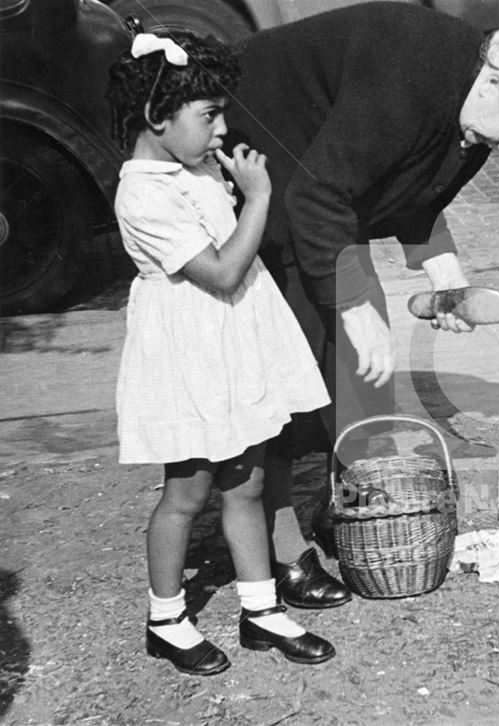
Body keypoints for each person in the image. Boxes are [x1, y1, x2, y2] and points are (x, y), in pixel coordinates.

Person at [224, 2, 499, 608]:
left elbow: (413, 191)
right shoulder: (409, 76)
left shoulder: (482, 110)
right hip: (266, 170)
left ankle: (342, 507)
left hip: (322, 193)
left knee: (362, 374)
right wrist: (351, 307)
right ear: (496, 78)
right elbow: (320, 195)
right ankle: (279, 547)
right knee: (289, 374)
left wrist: (444, 272)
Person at [106, 31, 336, 675]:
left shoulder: (194, 169)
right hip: (191, 351)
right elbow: (222, 273)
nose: (222, 128)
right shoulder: (144, 193)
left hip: (235, 341)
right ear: (157, 118)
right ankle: (166, 618)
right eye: (208, 115)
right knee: (189, 489)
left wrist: (232, 186)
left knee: (248, 478)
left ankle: (261, 610)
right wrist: (258, 197)